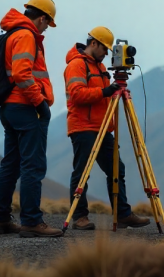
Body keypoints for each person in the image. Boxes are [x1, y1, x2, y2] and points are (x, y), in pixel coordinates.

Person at [0, 0, 62, 238]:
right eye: (47, 24)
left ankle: (0, 220)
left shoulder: (12, 32)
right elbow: (22, 74)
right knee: (33, 165)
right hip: (26, 108)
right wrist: (40, 102)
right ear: (42, 18)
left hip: (9, 109)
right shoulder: (27, 35)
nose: (45, 29)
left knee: (10, 164)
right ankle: (31, 221)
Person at [63, 27, 150, 230]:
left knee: (116, 169)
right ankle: (79, 217)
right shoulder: (76, 65)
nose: (107, 54)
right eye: (105, 49)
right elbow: (77, 94)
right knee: (82, 172)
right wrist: (105, 91)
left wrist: (114, 94)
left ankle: (122, 214)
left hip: (102, 128)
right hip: (83, 126)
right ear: (94, 44)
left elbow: (102, 97)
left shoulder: (101, 68)